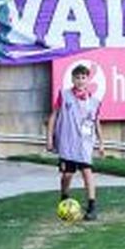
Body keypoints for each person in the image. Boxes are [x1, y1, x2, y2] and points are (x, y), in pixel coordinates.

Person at [47, 60, 105, 219]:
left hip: (84, 144)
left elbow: (96, 121)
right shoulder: (64, 95)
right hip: (67, 144)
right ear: (72, 80)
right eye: (77, 77)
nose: (80, 80)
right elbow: (53, 116)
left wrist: (101, 143)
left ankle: (92, 206)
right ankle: (64, 197)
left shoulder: (94, 101)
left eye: (83, 77)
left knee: (87, 172)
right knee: (67, 175)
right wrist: (49, 139)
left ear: (88, 80)